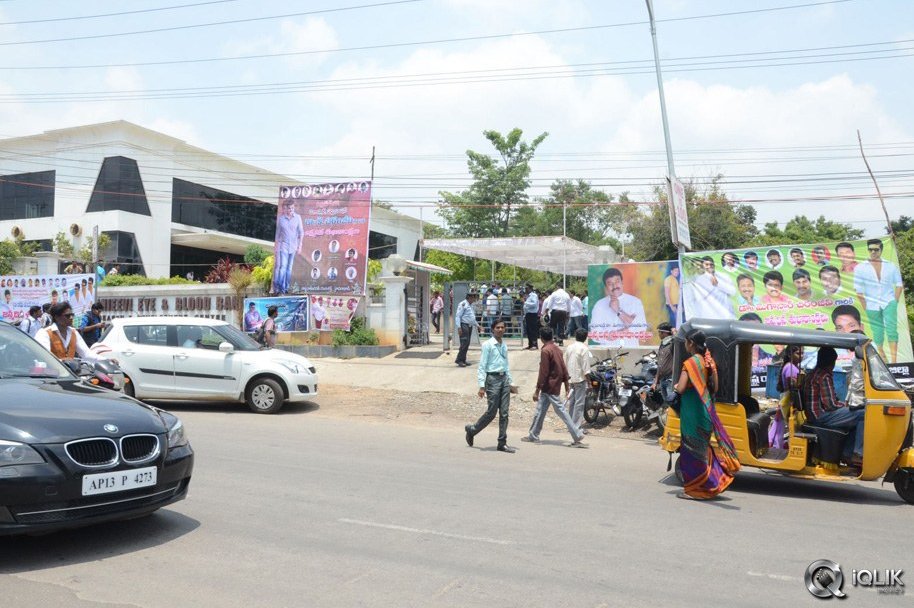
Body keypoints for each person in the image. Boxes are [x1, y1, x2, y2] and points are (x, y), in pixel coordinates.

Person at [671, 330, 740, 499]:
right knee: (702, 452)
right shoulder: (708, 362)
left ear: (691, 343)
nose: (685, 345)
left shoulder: (690, 363)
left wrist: (674, 387)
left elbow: (680, 388)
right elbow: (715, 388)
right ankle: (714, 483)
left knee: (691, 454)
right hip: (706, 413)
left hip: (692, 415)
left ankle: (696, 490)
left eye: (686, 342)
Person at [802, 346, 865, 466]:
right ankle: (857, 453)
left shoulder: (812, 373)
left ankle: (847, 454)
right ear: (831, 362)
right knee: (863, 414)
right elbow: (831, 405)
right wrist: (848, 406)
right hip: (821, 416)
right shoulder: (823, 376)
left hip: (816, 414)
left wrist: (846, 406)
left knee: (855, 415)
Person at [523, 327, 586, 446]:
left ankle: (577, 435)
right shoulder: (557, 349)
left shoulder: (546, 351)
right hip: (553, 386)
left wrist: (537, 389)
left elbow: (544, 372)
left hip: (549, 387)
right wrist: (566, 384)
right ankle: (533, 435)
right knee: (540, 411)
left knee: (561, 412)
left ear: (541, 338)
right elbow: (563, 367)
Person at [464, 318, 519, 453]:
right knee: (491, 412)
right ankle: (472, 430)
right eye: (498, 327)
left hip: (504, 379)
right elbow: (482, 366)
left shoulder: (504, 345)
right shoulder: (487, 345)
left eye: (502, 327)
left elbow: (506, 365)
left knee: (504, 413)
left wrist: (510, 382)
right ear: (493, 329)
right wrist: (482, 386)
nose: (500, 330)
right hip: (492, 380)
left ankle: (502, 442)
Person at [854, 238, 903, 362]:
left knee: (892, 330)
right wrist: (865, 307)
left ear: (881, 250)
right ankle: (883, 359)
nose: (873, 252)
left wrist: (895, 301)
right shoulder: (861, 267)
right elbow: (858, 291)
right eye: (870, 249)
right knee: (877, 333)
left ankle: (894, 361)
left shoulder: (890, 266)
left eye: (876, 249)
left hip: (888, 301)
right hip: (871, 304)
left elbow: (899, 284)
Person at [589, 267, 648, 347]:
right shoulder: (599, 305)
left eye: (617, 281)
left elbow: (641, 329)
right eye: (610, 284)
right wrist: (625, 330)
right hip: (608, 350)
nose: (614, 286)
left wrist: (618, 311)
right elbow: (595, 334)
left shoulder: (635, 302)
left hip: (630, 349)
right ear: (606, 287)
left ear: (622, 282)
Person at [35, 301, 101, 363]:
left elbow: (86, 354)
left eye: (72, 315)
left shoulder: (73, 332)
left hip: (70, 374)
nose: (71, 318)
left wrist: (106, 360)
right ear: (57, 317)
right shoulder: (44, 333)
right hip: (50, 374)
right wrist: (64, 362)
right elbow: (44, 357)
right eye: (67, 316)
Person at [564, 328, 593, 433]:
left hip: (570, 379)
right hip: (580, 380)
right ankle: (576, 427)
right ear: (585, 338)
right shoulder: (584, 349)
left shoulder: (569, 347)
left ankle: (571, 425)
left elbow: (566, 363)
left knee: (572, 403)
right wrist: (589, 382)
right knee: (579, 404)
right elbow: (586, 368)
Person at [273, 199, 304, 294]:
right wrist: (276, 246)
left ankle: (286, 287)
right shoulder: (281, 219)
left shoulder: (298, 218)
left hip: (293, 247)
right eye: (288, 208)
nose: (290, 210)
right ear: (286, 209)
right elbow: (277, 234)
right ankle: (280, 287)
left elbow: (301, 232)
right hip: (284, 246)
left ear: (293, 208)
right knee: (283, 267)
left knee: (289, 268)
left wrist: (300, 246)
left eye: (292, 208)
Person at [454, 291, 480, 367]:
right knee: (464, 343)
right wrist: (459, 327)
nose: (475, 299)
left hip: (469, 326)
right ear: (469, 297)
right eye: (474, 297)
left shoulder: (471, 305)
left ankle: (463, 359)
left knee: (467, 343)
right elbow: (458, 316)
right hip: (463, 325)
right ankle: (459, 360)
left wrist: (478, 325)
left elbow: (472, 318)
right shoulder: (463, 304)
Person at [651, 322, 675, 401]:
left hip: (670, 380)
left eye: (660, 332)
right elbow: (660, 365)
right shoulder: (662, 344)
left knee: (672, 403)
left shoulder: (673, 344)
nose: (659, 334)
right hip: (662, 380)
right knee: (666, 403)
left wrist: (674, 332)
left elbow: (680, 341)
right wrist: (655, 382)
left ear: (665, 333)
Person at [522, 285, 540, 350]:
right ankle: (530, 344)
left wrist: (525, 303)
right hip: (528, 314)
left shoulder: (533, 295)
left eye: (526, 288)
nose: (525, 290)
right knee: (529, 330)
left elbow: (534, 304)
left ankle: (535, 345)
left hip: (532, 314)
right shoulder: (528, 296)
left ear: (530, 289)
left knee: (533, 330)